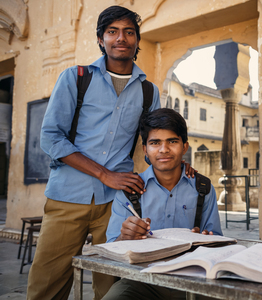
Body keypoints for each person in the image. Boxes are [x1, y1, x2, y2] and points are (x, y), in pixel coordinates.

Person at [28, 6, 193, 300]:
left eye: (129, 32)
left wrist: (181, 166)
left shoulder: (148, 91)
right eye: (113, 31)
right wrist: (105, 174)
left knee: (115, 283)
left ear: (137, 41)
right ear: (101, 39)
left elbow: (154, 141)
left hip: (119, 202)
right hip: (68, 195)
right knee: (47, 282)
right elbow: (51, 137)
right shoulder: (76, 78)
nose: (121, 38)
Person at [102, 108, 222, 299]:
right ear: (145, 150)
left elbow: (218, 241)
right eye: (155, 143)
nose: (163, 149)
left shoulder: (203, 188)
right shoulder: (129, 191)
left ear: (184, 147)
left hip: (193, 281)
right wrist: (124, 238)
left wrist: (209, 240)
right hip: (141, 281)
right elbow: (110, 249)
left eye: (172, 141)